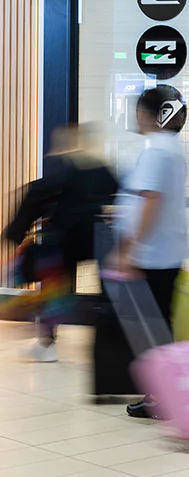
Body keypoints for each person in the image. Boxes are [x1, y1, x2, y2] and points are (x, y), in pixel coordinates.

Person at [4, 124, 118, 362]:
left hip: (66, 239)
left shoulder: (67, 166)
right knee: (108, 291)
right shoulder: (104, 170)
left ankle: (46, 345)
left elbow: (35, 195)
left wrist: (14, 232)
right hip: (99, 237)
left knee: (54, 287)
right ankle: (110, 345)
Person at [113, 87, 189, 419]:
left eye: (140, 111)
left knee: (154, 328)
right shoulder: (172, 149)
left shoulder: (157, 151)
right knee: (159, 325)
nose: (137, 117)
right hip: (168, 250)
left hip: (154, 253)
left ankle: (162, 396)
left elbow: (150, 202)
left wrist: (128, 250)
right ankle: (164, 393)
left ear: (152, 115)